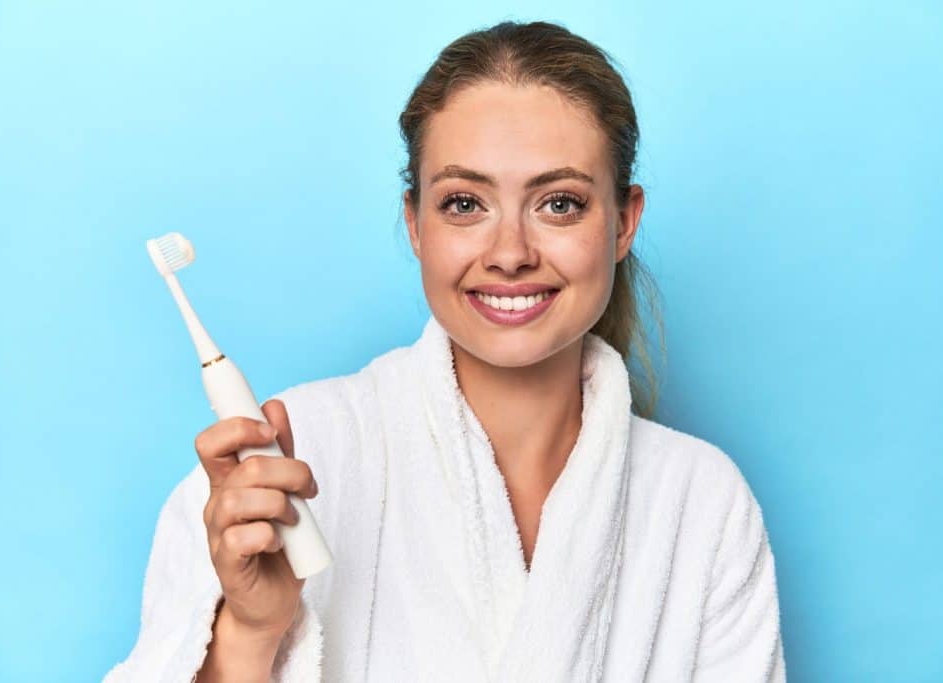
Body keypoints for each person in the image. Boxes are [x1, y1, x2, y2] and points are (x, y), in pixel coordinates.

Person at [105, 20, 785, 682]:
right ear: (416, 223)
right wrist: (248, 634)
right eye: (465, 203)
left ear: (624, 221)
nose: (511, 253)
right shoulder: (280, 472)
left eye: (559, 204)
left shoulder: (703, 503)